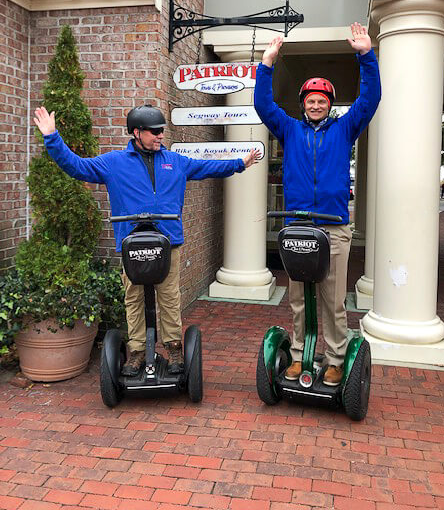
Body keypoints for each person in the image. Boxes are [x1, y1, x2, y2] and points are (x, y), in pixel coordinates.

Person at [34, 103, 261, 377]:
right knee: (134, 298)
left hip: (168, 241)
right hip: (134, 244)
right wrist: (52, 138)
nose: (160, 136)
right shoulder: (113, 162)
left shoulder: (175, 161)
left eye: (161, 131)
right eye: (154, 132)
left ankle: (174, 347)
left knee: (168, 297)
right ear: (137, 132)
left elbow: (207, 167)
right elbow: (77, 167)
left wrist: (240, 164)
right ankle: (138, 350)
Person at [254, 23, 381, 386]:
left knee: (332, 299)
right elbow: (263, 104)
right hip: (298, 225)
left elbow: (369, 100)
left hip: (334, 225)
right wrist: (267, 64)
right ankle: (298, 355)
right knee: (298, 296)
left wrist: (365, 56)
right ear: (303, 105)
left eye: (321, 101)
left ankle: (336, 358)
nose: (315, 104)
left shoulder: (344, 129)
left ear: (329, 105)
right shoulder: (289, 129)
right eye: (310, 100)